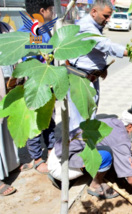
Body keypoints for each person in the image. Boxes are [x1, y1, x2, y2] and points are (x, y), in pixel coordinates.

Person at [67, 0, 132, 131]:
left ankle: (86, 147)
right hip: (80, 80)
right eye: (106, 16)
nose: (109, 20)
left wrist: (102, 68)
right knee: (80, 122)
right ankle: (76, 149)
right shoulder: (86, 26)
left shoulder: (95, 26)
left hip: (91, 78)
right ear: (94, 12)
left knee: (89, 118)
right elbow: (105, 45)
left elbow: (95, 51)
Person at [50, 109, 132, 200]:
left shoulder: (114, 122)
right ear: (130, 127)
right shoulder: (121, 139)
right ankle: (95, 185)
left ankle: (69, 175)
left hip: (57, 153)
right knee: (106, 155)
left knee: (105, 151)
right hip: (61, 167)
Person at [18, 0, 56, 174]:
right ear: (42, 10)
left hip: (47, 83)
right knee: (34, 122)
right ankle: (37, 159)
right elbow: (32, 58)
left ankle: (50, 150)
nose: (53, 13)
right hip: (35, 84)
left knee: (48, 119)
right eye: (51, 10)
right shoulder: (29, 31)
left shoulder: (44, 29)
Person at [0, 16, 18, 196]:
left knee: (7, 130)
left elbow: (27, 43)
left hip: (9, 87)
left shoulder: (6, 28)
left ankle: (10, 166)